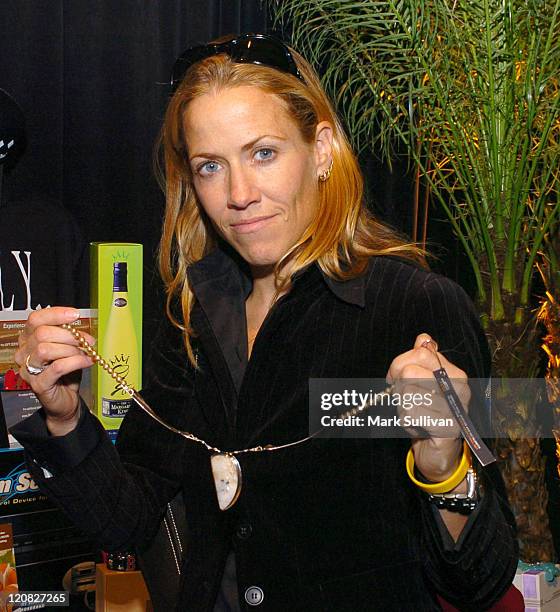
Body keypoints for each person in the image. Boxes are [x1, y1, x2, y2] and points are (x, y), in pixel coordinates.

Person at [11, 34, 517, 611]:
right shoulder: (196, 316)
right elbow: (127, 523)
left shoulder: (418, 309)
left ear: (322, 148)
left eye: (264, 153)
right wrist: (65, 418)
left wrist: (444, 463)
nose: (239, 194)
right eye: (210, 166)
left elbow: (481, 580)